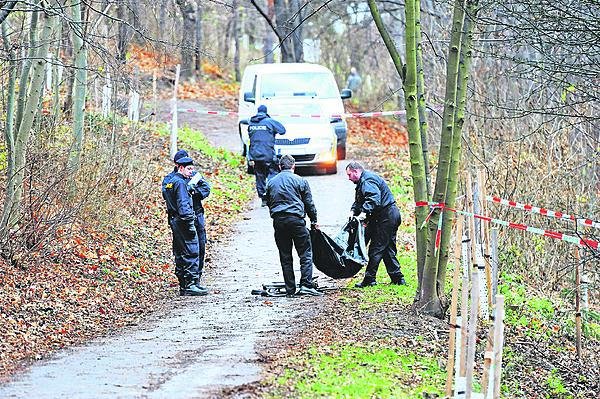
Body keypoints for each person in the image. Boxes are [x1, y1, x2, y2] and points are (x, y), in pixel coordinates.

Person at [265, 155, 323, 297]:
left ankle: (290, 288)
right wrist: (314, 220)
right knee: (305, 253)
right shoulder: (300, 181)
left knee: (285, 256)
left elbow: (268, 202)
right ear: (293, 166)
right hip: (296, 221)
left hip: (278, 222)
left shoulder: (271, 183)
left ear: (280, 166)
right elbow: (309, 203)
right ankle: (306, 285)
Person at [345, 161, 406, 288]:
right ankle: (398, 278)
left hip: (387, 217)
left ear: (356, 171)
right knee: (387, 249)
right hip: (388, 216)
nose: (349, 178)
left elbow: (373, 199)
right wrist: (353, 211)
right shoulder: (364, 180)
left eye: (350, 175)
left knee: (376, 248)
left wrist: (364, 213)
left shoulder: (368, 181)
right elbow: (360, 200)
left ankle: (369, 279)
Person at [162, 150, 211, 293]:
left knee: (198, 248)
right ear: (178, 166)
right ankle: (187, 283)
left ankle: (194, 280)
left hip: (194, 214)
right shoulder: (172, 180)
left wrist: (193, 191)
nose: (191, 170)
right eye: (187, 167)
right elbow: (177, 200)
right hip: (184, 217)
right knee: (187, 250)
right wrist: (188, 219)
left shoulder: (191, 176)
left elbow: (205, 189)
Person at [248, 104, 286, 207]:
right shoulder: (269, 122)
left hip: (255, 155)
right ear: (266, 112)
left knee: (260, 177)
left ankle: (263, 198)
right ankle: (273, 196)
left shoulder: (251, 123)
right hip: (268, 154)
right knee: (273, 175)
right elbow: (282, 130)